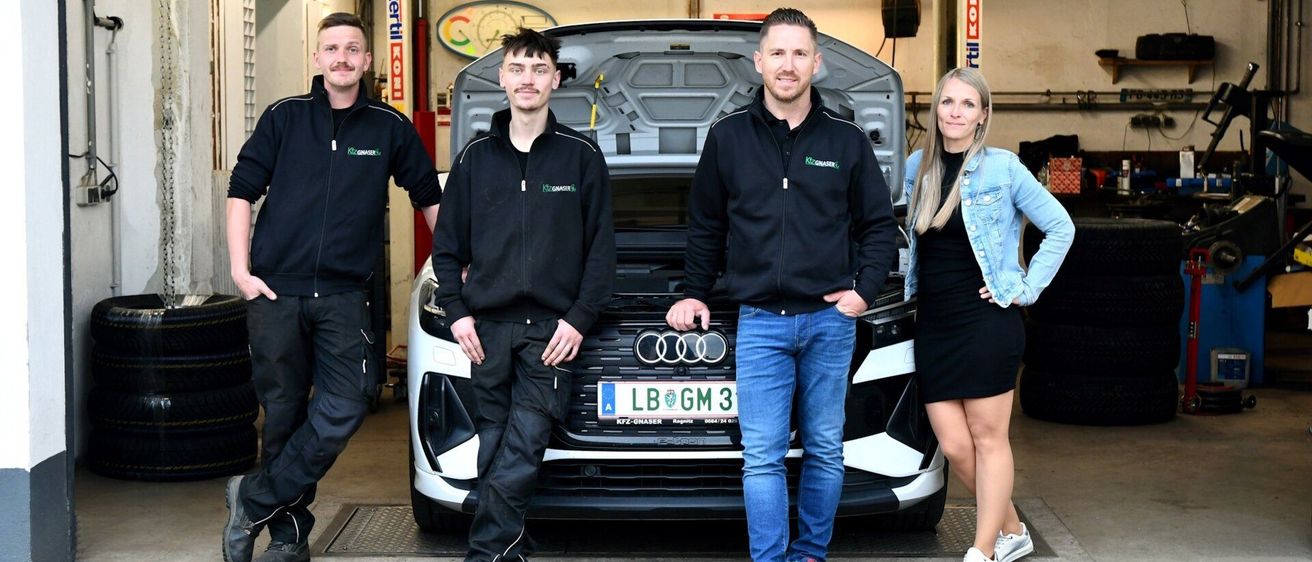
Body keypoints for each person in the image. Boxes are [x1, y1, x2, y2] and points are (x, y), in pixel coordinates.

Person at [666, 8, 898, 562]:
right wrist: (694, 290)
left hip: (829, 321)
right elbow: (706, 225)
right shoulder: (727, 139)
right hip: (760, 324)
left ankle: (810, 554)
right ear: (759, 62)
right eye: (778, 53)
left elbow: (878, 225)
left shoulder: (845, 140)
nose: (788, 65)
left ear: (816, 64)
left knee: (823, 450)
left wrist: (863, 292)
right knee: (763, 456)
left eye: (799, 53)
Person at [221, 12, 442, 562]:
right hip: (275, 293)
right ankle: (291, 534)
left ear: (368, 61)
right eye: (331, 49)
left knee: (346, 404)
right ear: (317, 59)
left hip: (345, 296)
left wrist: (458, 267)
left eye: (352, 49)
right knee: (284, 414)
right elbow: (241, 191)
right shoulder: (284, 117)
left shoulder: (389, 127)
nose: (341, 58)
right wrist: (241, 272)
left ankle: (253, 499)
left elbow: (429, 197)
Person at [430, 27, 616, 562]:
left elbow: (602, 253)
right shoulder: (474, 158)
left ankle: (485, 551)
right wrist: (457, 312)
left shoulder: (581, 156)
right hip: (485, 329)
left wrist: (578, 319)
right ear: (502, 79)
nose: (528, 79)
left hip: (551, 333)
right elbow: (447, 248)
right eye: (518, 68)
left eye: (539, 69)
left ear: (555, 80)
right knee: (493, 443)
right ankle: (508, 547)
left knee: (527, 439)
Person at [903, 67, 1073, 562]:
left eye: (967, 105)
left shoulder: (1003, 169)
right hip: (934, 322)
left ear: (982, 116)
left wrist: (1023, 288)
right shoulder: (919, 167)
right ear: (936, 110)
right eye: (947, 102)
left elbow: (1060, 228)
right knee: (955, 446)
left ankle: (983, 551)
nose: (955, 112)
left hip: (986, 321)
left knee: (987, 437)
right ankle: (1013, 528)